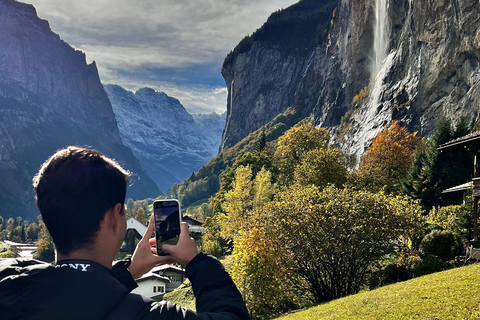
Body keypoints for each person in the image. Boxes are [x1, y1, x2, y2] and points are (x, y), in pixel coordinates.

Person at [0, 146, 249, 320]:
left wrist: (130, 271)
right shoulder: (143, 314)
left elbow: (75, 294)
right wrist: (198, 262)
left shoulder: (9, 286)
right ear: (113, 217)